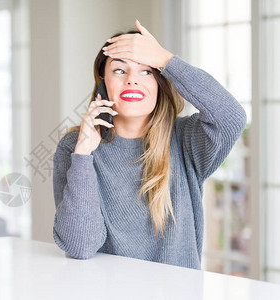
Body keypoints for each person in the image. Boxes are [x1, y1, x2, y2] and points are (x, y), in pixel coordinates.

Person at [52, 20, 247, 270]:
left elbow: (231, 117)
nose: (132, 81)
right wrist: (83, 156)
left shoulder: (186, 139)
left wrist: (166, 60)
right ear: (103, 81)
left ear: (160, 81)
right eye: (119, 71)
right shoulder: (74, 147)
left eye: (147, 71)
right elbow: (80, 246)